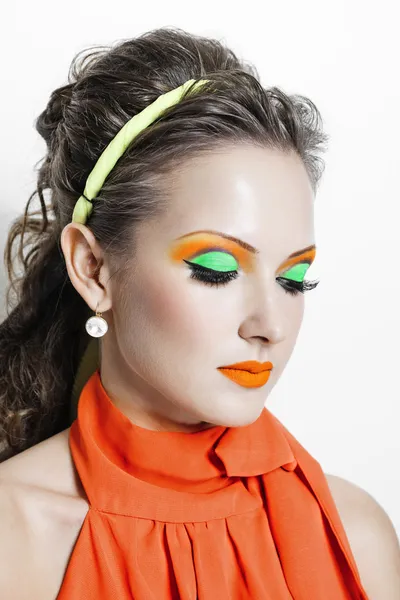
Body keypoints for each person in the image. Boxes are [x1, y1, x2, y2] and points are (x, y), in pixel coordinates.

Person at [0, 27, 399, 600]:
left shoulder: (356, 537)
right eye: (217, 269)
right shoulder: (16, 541)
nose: (272, 325)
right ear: (92, 268)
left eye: (294, 279)